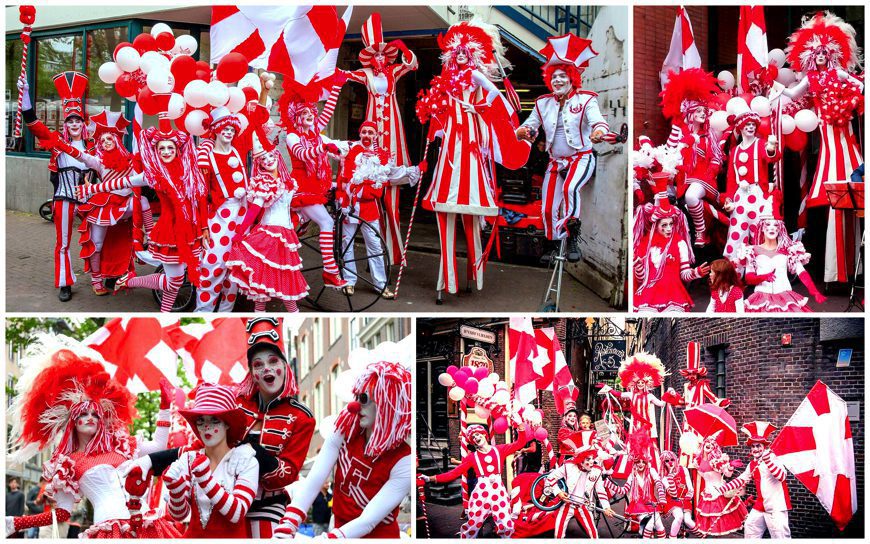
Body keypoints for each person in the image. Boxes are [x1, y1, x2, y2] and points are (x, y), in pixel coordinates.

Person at [123, 318, 316, 538]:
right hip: (223, 504)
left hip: (266, 508)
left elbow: (286, 474)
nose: (267, 369)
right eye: (258, 364)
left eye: (273, 361)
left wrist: (250, 450)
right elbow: (200, 449)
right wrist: (151, 461)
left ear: (284, 365)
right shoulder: (238, 404)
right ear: (251, 372)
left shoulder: (301, 416)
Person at [5, 347, 179, 538]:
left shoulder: (121, 445)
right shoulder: (68, 464)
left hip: (147, 523)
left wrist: (164, 407)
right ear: (73, 421)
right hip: (108, 529)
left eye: (95, 414)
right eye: (83, 414)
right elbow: (63, 513)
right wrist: (16, 522)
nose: (90, 418)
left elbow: (159, 447)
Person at [420, 20, 530, 301]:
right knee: (444, 215)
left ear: (473, 54)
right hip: (450, 152)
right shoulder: (446, 83)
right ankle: (447, 283)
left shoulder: (477, 79)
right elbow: (438, 113)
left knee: (471, 222)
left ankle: (474, 275)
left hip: (470, 148)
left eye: (465, 52)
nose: (460, 55)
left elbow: (502, 103)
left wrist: (477, 106)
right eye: (456, 51)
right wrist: (434, 120)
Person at [77, 113, 208, 312]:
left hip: (192, 228)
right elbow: (122, 182)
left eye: (170, 147)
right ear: (156, 151)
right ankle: (129, 282)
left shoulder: (188, 170)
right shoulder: (152, 175)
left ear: (177, 150)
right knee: (174, 281)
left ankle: (163, 314)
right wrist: (91, 189)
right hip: (169, 233)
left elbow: (199, 199)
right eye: (161, 148)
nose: (166, 151)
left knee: (178, 280)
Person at [276, 361, 412, 538]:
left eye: (363, 399)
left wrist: (330, 538)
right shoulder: (346, 428)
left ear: (386, 403)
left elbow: (368, 520)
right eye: (356, 397)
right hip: (339, 527)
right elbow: (315, 478)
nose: (354, 406)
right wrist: (289, 521)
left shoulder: (404, 460)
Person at [784, 11, 864, 283]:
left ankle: (850, 270)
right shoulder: (811, 80)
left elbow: (859, 86)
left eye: (823, 52)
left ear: (830, 53)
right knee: (832, 200)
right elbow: (792, 93)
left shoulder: (839, 73)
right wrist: (770, 82)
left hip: (845, 134)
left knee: (850, 198)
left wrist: (854, 98)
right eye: (815, 52)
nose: (819, 56)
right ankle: (834, 272)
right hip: (827, 138)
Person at [517, 33, 609, 259]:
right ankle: (553, 242)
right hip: (555, 162)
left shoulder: (586, 99)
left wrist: (598, 132)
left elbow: (599, 122)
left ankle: (573, 239)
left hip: (581, 157)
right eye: (554, 76)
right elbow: (528, 126)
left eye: (563, 76)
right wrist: (521, 132)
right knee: (547, 207)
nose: (558, 80)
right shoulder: (542, 103)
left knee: (570, 190)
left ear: (572, 78)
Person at [344, 13, 418, 265]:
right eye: (375, 55)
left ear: (386, 57)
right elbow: (344, 74)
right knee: (372, 195)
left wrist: (404, 48)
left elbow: (413, 64)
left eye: (382, 55)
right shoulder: (365, 74)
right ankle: (375, 254)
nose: (378, 58)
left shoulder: (394, 71)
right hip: (373, 127)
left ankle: (393, 255)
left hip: (394, 130)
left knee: (393, 198)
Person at [18, 73, 93, 302]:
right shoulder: (56, 141)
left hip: (90, 197)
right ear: (66, 124)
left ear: (83, 123)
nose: (73, 125)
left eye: (77, 121)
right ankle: (65, 282)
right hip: (64, 197)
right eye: (69, 121)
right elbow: (32, 121)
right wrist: (26, 94)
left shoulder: (93, 144)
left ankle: (104, 276)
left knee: (102, 236)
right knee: (63, 243)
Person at [336, 122, 420, 298]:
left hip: (369, 206)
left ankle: (380, 284)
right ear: (360, 133)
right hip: (350, 203)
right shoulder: (350, 149)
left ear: (376, 135)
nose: (367, 135)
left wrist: (415, 170)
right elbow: (342, 173)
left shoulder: (381, 155)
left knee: (374, 246)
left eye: (371, 132)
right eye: (364, 131)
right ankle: (349, 281)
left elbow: (392, 173)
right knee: (347, 243)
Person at [163, 383, 259, 538]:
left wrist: (205, 479)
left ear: (227, 423)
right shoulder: (188, 459)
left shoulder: (245, 460)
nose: (206, 427)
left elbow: (237, 512)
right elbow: (178, 515)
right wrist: (176, 490)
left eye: (214, 419)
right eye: (201, 420)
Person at [227, 135, 309, 312]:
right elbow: (254, 210)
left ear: (278, 157)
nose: (269, 161)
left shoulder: (288, 182)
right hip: (268, 236)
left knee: (287, 280)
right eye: (264, 159)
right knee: (261, 284)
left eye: (271, 156)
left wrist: (301, 218)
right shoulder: (263, 182)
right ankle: (260, 315)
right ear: (260, 164)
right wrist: (240, 233)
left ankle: (293, 314)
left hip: (286, 236)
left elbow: (292, 206)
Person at [281, 82, 349, 289]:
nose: (311, 115)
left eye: (312, 111)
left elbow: (327, 111)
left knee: (301, 223)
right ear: (296, 117)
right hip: (302, 188)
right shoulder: (293, 136)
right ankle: (330, 272)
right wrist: (323, 148)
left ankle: (293, 226)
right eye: (305, 113)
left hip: (315, 187)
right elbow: (302, 154)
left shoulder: (315, 133)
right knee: (327, 223)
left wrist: (337, 86)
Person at [75, 111, 148, 296]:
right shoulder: (100, 162)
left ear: (117, 140)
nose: (107, 142)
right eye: (104, 140)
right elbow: (84, 157)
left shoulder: (131, 161)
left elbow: (140, 179)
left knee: (142, 202)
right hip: (104, 205)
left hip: (124, 205)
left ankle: (151, 237)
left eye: (110, 139)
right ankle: (96, 281)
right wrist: (65, 146)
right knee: (97, 244)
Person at [419, 424, 530, 538]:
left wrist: (521, 427)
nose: (476, 438)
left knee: (505, 523)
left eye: (477, 434)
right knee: (473, 524)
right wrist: (430, 478)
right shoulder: (472, 457)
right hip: (482, 493)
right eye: (473, 438)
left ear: (484, 435)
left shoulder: (499, 450)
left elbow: (520, 443)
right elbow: (454, 473)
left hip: (498, 492)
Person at [659, 68, 724, 247]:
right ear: (690, 114)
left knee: (691, 197)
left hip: (704, 178)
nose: (703, 113)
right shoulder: (678, 131)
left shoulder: (709, 134)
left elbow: (716, 157)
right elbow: (669, 153)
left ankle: (700, 231)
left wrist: (713, 169)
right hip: (682, 178)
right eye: (699, 111)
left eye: (704, 111)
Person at [194, 108, 250, 312]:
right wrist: (203, 227)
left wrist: (264, 90)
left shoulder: (239, 149)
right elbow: (201, 194)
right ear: (216, 130)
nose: (229, 133)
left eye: (232, 129)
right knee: (213, 264)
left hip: (243, 216)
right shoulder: (207, 157)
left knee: (236, 268)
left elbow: (256, 121)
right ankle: (204, 311)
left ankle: (226, 313)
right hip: (220, 215)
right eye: (224, 129)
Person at [737, 198, 826, 312]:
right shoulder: (752, 250)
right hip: (760, 298)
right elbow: (749, 278)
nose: (772, 228)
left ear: (780, 229)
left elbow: (802, 273)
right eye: (768, 224)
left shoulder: (789, 250)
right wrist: (764, 277)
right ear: (762, 228)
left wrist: (815, 291)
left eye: (776, 225)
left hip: (786, 296)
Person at [634, 180, 710, 312]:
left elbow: (684, 274)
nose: (669, 228)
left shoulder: (681, 243)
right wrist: (638, 266)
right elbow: (641, 278)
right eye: (664, 225)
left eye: (671, 224)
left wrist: (695, 273)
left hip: (673, 294)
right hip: (648, 294)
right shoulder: (646, 244)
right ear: (655, 225)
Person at [721, 111, 780, 267]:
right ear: (741, 127)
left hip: (757, 194)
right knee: (736, 234)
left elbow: (772, 157)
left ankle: (763, 272)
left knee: (759, 232)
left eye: (753, 125)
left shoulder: (761, 144)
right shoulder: (734, 151)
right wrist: (728, 198)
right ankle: (737, 275)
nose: (751, 127)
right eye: (747, 124)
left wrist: (772, 148)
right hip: (740, 197)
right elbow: (731, 179)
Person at [715, 422, 791, 538]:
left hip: (776, 506)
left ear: (764, 447)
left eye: (758, 446)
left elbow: (782, 476)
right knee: (750, 528)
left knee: (780, 536)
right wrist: (721, 489)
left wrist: (768, 461)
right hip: (760, 505)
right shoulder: (752, 464)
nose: (755, 449)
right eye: (753, 446)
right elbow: (741, 480)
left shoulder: (773, 458)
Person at [605, 431, 666, 539]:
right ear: (635, 463)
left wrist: (662, 498)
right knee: (649, 524)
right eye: (638, 462)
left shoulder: (651, 471)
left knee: (660, 527)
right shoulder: (632, 475)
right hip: (638, 505)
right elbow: (623, 490)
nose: (641, 464)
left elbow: (659, 484)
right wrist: (608, 483)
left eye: (643, 461)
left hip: (651, 504)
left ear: (646, 462)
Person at [544, 445, 615, 538]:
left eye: (592, 458)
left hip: (584, 506)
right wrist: (559, 493)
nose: (591, 462)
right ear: (580, 460)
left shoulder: (596, 471)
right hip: (567, 505)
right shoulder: (568, 466)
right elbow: (549, 479)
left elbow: (600, 490)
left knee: (594, 535)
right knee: (558, 535)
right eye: (588, 459)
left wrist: (606, 507)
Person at [695, 432, 747, 536]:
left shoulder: (717, 460)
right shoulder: (699, 460)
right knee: (709, 524)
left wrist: (730, 466)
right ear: (704, 444)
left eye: (712, 444)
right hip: (707, 494)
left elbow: (727, 474)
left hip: (719, 493)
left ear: (715, 447)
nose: (709, 445)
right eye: (707, 443)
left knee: (721, 522)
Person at [661, 450, 699, 537]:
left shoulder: (684, 469)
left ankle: (701, 536)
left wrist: (689, 495)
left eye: (672, 459)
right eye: (667, 461)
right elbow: (673, 494)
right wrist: (670, 474)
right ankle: (672, 538)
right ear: (664, 463)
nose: (670, 462)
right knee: (679, 517)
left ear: (675, 459)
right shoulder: (664, 477)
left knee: (688, 521)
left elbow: (690, 488)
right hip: (672, 501)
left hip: (685, 500)